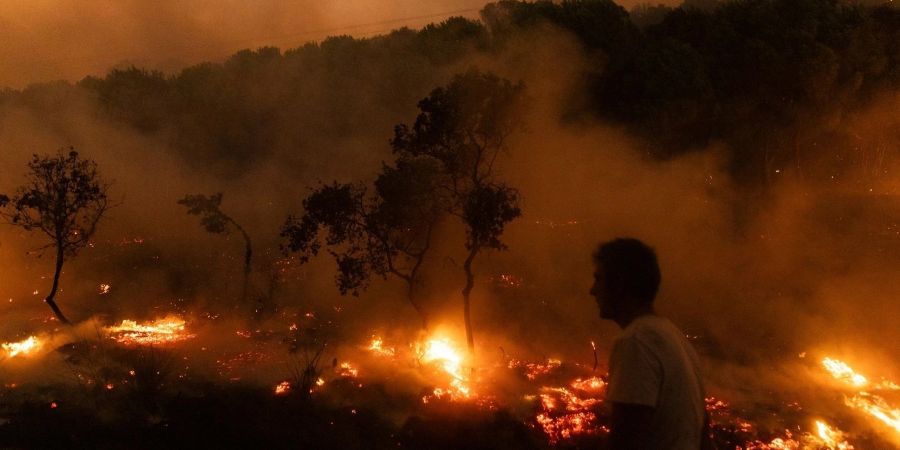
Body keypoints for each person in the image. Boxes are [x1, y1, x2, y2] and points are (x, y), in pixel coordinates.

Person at [590, 238, 708, 449]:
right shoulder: (674, 336)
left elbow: (626, 439)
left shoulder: (636, 341)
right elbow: (703, 431)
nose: (592, 290)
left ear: (619, 285)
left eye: (598, 279)